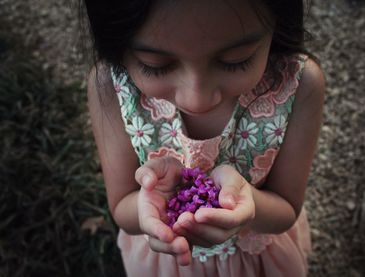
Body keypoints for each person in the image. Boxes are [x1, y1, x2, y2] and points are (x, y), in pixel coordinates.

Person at [83, 0, 325, 276]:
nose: (196, 100)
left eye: (236, 61)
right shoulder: (110, 87)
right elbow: (122, 208)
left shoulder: (299, 85)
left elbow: (286, 209)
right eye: (155, 65)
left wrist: (250, 203)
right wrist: (152, 203)